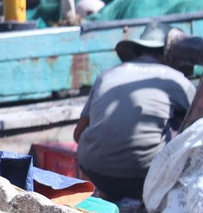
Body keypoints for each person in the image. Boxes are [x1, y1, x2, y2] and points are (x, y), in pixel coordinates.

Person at [73, 22, 196, 202]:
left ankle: (109, 194)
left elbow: (78, 134)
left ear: (137, 51)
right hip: (143, 176)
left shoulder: (107, 74)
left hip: (94, 169)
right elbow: (202, 126)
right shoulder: (177, 80)